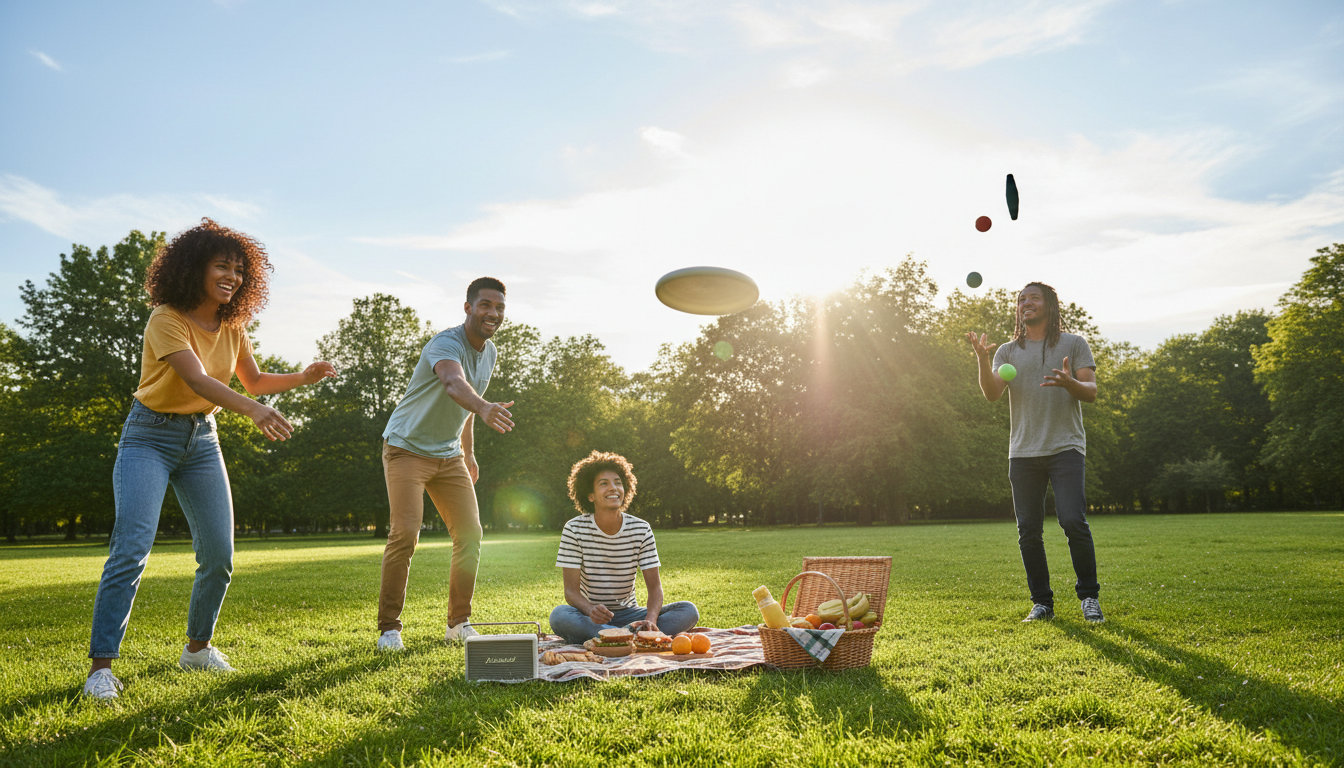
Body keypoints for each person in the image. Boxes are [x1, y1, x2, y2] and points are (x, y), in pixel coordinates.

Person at [84, 219, 337, 700]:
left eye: (240, 270)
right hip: (148, 437)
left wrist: (302, 378)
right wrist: (254, 411)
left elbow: (254, 381)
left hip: (202, 440)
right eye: (222, 266)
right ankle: (101, 668)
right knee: (131, 549)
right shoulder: (166, 318)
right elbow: (198, 379)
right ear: (194, 268)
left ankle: (197, 649)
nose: (233, 277)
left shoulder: (234, 326)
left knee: (220, 555)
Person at [375, 277, 514, 651]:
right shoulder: (446, 343)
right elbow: (454, 384)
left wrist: (469, 453)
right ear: (468, 308)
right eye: (485, 305)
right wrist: (484, 407)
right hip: (406, 448)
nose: (493, 313)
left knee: (470, 534)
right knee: (405, 532)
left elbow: (465, 405)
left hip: (449, 455)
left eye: (499, 307)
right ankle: (389, 629)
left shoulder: (490, 352)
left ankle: (458, 623)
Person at [966, 281, 1104, 624]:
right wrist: (983, 360)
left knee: (1072, 520)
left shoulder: (1073, 344)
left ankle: (1089, 598)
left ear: (1050, 305)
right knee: (1028, 530)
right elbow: (992, 394)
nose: (1025, 303)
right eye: (1021, 299)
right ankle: (1042, 603)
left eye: (1033, 298)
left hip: (1065, 447)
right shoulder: (1007, 352)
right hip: (1023, 452)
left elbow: (1090, 391)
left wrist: (1070, 383)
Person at [548, 451, 700, 644]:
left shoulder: (641, 529)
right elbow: (571, 591)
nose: (613, 488)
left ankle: (612, 636)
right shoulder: (574, 529)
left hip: (631, 614)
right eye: (604, 483)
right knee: (559, 615)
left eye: (618, 482)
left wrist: (650, 621)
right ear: (590, 495)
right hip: (591, 616)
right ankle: (627, 635)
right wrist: (590, 609)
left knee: (688, 611)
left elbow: (655, 588)